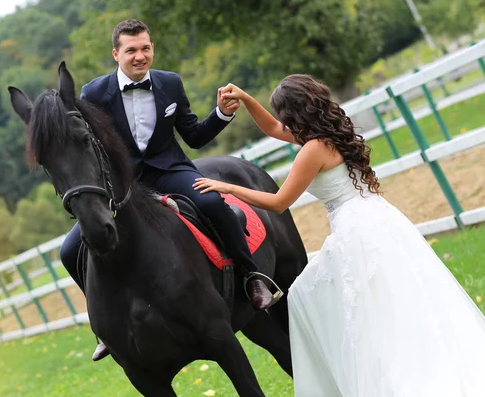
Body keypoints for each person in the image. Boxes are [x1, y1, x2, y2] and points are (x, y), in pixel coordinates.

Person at [194, 75, 485, 396]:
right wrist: (248, 99)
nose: (281, 121)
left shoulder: (312, 150)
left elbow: (279, 203)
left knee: (323, 300)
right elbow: (274, 130)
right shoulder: (330, 131)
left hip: (355, 230)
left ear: (292, 112)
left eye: (282, 113)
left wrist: (227, 187)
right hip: (378, 216)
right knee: (396, 299)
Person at [59, 19, 276, 362]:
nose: (140, 56)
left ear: (152, 48)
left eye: (145, 48)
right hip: (125, 184)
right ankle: (103, 327)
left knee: (213, 204)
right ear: (116, 54)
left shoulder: (170, 84)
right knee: (69, 250)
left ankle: (253, 279)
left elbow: (193, 136)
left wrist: (222, 114)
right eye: (131, 50)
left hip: (169, 171)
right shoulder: (93, 94)